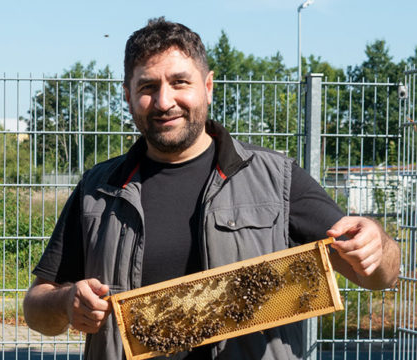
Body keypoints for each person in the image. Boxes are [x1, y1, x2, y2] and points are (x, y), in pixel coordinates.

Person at [23, 17, 401, 360]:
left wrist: (376, 245)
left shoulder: (276, 178)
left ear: (207, 86)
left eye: (179, 82)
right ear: (127, 95)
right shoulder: (98, 190)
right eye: (148, 87)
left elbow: (378, 275)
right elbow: (36, 307)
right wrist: (67, 302)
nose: (164, 101)